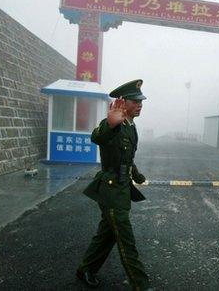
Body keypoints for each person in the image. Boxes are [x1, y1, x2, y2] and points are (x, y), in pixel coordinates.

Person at [76, 79, 152, 290]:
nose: (140, 105)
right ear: (123, 102)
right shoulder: (113, 124)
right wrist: (110, 124)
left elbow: (127, 158)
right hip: (111, 191)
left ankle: (85, 269)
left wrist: (136, 175)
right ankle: (141, 285)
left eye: (141, 101)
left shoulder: (131, 126)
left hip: (122, 188)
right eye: (135, 101)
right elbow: (97, 137)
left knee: (107, 235)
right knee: (126, 241)